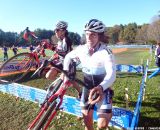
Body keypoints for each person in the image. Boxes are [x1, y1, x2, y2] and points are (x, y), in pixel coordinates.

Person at [63, 19, 116, 130]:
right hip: (87, 88)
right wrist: (66, 71)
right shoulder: (81, 49)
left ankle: (108, 110)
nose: (89, 38)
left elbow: (112, 74)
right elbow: (68, 57)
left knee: (102, 125)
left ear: (100, 36)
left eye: (93, 35)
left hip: (102, 88)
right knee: (88, 124)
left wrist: (101, 87)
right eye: (87, 34)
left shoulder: (106, 52)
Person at [38, 21, 81, 96]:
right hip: (61, 62)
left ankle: (80, 92)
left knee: (71, 80)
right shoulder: (60, 41)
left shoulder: (66, 40)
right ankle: (60, 80)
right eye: (55, 30)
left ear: (63, 31)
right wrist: (50, 49)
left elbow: (65, 54)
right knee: (49, 75)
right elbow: (57, 51)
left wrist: (53, 49)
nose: (55, 32)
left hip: (69, 63)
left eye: (57, 30)